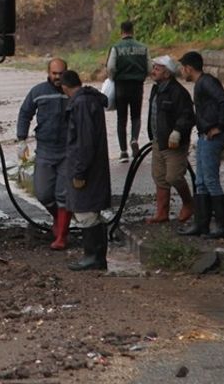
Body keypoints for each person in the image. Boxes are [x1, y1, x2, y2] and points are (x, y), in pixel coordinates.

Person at [177, 51, 224, 239]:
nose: (181, 72)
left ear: (189, 68)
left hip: (212, 137)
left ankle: (223, 227)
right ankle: (201, 224)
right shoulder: (201, 84)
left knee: (210, 180)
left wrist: (220, 126)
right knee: (201, 181)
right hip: (204, 136)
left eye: (182, 68)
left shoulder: (207, 82)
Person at [59, 70, 112, 271]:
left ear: (65, 87)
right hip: (95, 166)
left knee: (85, 212)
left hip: (86, 169)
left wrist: (79, 172)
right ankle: (97, 256)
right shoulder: (91, 100)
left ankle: (93, 256)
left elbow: (84, 142)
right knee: (92, 212)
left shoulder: (80, 104)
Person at [16, 58, 71, 249]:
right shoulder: (38, 92)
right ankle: (58, 217)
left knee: (63, 194)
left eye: (61, 73)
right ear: (48, 73)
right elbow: (25, 113)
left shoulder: (71, 92)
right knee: (43, 193)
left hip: (67, 151)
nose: (57, 77)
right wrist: (21, 139)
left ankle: (61, 237)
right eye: (54, 73)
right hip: (45, 150)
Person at [145, 55, 196, 225]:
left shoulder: (178, 92)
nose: (153, 71)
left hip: (174, 143)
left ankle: (189, 203)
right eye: (154, 68)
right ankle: (162, 213)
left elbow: (187, 115)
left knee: (174, 176)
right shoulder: (156, 89)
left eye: (157, 69)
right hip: (158, 141)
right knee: (159, 177)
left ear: (167, 73)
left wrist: (178, 131)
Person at [107, 21, 149, 163]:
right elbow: (149, 68)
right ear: (133, 30)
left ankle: (123, 151)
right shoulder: (143, 48)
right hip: (137, 85)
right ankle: (134, 139)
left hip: (121, 86)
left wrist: (113, 79)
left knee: (121, 118)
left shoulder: (116, 48)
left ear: (121, 31)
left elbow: (111, 67)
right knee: (136, 116)